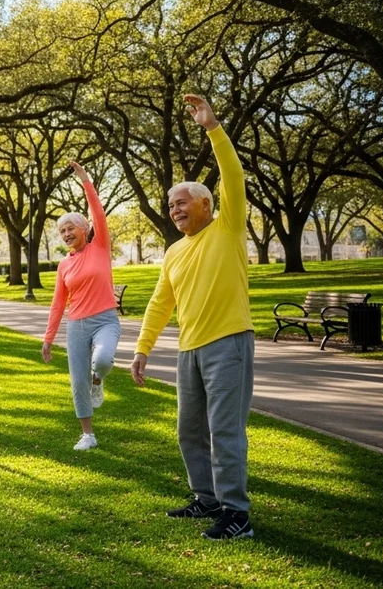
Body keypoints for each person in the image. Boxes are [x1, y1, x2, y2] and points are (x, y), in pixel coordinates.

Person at [131, 94, 256, 541]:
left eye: (183, 202)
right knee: (189, 431)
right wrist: (142, 349)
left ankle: (236, 513)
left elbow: (234, 177)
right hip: (190, 350)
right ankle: (205, 497)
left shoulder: (228, 226)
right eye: (170, 206)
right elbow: (160, 303)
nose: (176, 210)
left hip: (229, 342)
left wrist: (213, 128)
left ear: (206, 204)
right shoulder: (173, 251)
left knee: (224, 431)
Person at [42, 161, 121, 451]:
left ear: (85, 228)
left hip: (105, 320)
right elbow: (57, 304)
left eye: (70, 227)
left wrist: (85, 180)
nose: (66, 233)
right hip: (76, 325)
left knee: (100, 361)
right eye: (61, 231)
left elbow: (97, 210)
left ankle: (98, 380)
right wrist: (48, 338)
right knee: (77, 381)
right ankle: (88, 434)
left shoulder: (100, 245)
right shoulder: (64, 265)